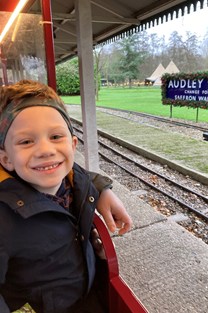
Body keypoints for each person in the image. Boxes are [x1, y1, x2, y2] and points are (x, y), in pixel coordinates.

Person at [0, 80, 132, 313]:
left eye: (55, 137)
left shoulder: (75, 182)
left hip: (87, 297)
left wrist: (102, 190)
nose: (45, 150)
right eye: (26, 141)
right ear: (6, 159)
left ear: (72, 145)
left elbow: (81, 175)